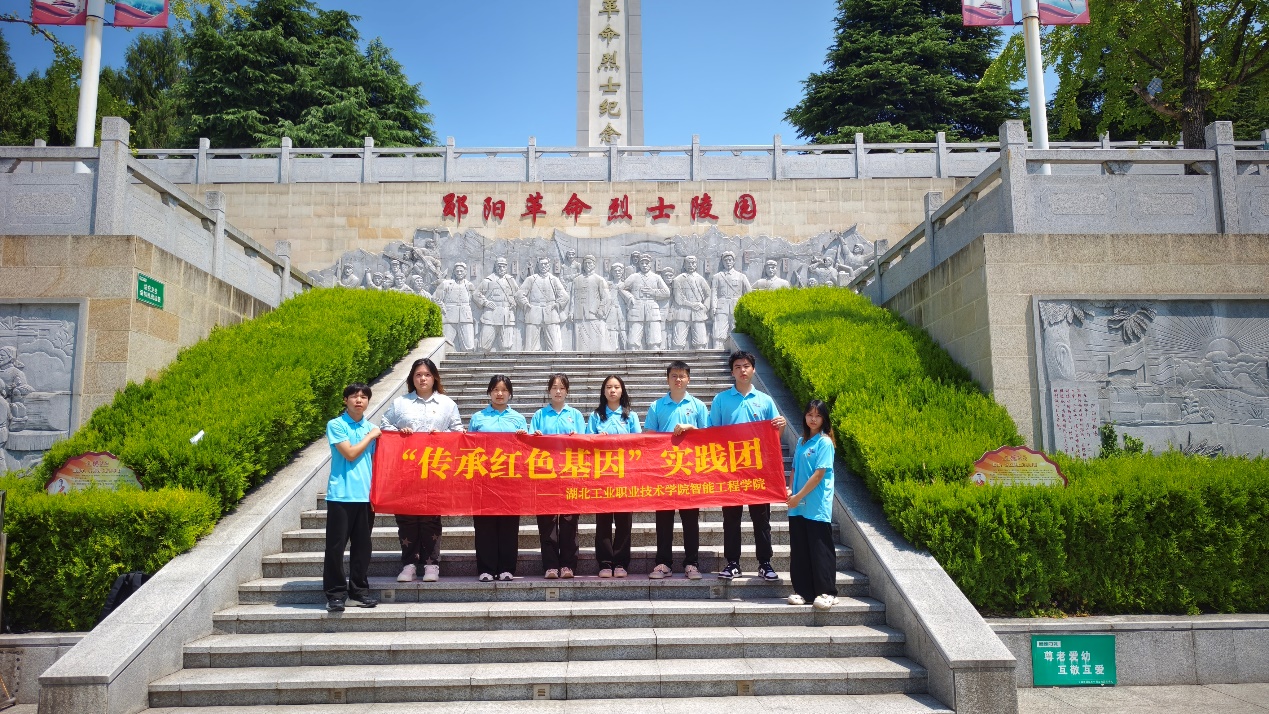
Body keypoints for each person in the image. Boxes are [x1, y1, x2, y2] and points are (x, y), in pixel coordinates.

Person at [380, 358, 463, 583]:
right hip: (405, 470)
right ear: (412, 378)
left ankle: (431, 564)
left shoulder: (447, 404)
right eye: (418, 375)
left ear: (434, 377)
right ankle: (409, 564)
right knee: (406, 517)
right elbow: (385, 426)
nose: (422, 379)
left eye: (427, 374)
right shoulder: (401, 403)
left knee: (430, 518)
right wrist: (399, 433)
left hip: (435, 470)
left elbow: (458, 431)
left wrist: (442, 436)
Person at [709, 350, 787, 580]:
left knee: (761, 519)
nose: (742, 370)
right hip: (730, 469)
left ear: (753, 369)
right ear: (732, 372)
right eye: (737, 367)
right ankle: (732, 563)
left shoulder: (765, 400)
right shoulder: (721, 400)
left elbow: (775, 437)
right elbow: (712, 433)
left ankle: (765, 563)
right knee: (731, 519)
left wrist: (781, 426)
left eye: (746, 366)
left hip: (758, 469)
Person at [643, 360, 709, 580]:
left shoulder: (698, 406)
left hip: (690, 471)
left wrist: (692, 428)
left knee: (690, 520)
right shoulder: (657, 406)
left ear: (688, 379)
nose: (678, 379)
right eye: (674, 376)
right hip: (664, 471)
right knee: (663, 520)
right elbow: (648, 437)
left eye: (682, 376)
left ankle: (692, 563)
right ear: (667, 379)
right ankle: (663, 563)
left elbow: (708, 437)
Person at [323, 383, 381, 612]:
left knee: (362, 548)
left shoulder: (371, 428)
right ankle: (335, 594)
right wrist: (370, 436)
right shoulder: (336, 425)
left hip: (365, 497)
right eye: (354, 396)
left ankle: (358, 593)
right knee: (335, 547)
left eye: (364, 397)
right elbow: (349, 453)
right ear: (345, 400)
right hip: (341, 495)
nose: (359, 400)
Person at [469, 375, 528, 582]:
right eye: (495, 389)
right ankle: (486, 568)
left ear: (510, 393)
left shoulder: (518, 419)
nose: (499, 393)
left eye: (504, 390)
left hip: (510, 480)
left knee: (508, 526)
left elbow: (527, 450)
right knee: (484, 526)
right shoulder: (478, 418)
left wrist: (523, 438)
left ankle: (506, 568)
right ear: (489, 392)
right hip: (484, 479)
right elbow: (469, 447)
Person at [530, 373, 585, 578]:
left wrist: (577, 438)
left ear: (567, 391)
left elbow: (585, 443)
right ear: (549, 391)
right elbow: (530, 444)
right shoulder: (540, 415)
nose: (558, 391)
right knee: (548, 522)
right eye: (554, 387)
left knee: (569, 521)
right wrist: (535, 437)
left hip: (570, 474)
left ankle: (568, 565)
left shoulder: (576, 415)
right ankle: (550, 565)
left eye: (562, 387)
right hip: (546, 476)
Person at [786, 400, 838, 610]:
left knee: (820, 549)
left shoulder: (824, 443)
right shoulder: (801, 441)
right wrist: (791, 492)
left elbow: (818, 475)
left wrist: (798, 496)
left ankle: (827, 592)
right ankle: (803, 592)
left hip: (816, 505)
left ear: (824, 419)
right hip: (797, 504)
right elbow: (794, 469)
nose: (813, 419)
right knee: (800, 549)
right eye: (810, 414)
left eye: (818, 415)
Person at [588, 375, 640, 578]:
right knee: (603, 522)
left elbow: (639, 443)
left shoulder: (630, 416)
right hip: (602, 476)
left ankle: (620, 563)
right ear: (603, 391)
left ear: (622, 390)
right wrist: (595, 439)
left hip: (625, 476)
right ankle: (605, 563)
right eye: (609, 387)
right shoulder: (596, 416)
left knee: (624, 521)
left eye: (616, 387)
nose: (612, 390)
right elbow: (586, 443)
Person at [518, 256, 570, 352]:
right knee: (530, 347)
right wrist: (525, 304)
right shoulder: (531, 279)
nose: (543, 266)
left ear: (549, 265)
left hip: (551, 311)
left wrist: (558, 304)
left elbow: (564, 296)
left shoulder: (554, 279)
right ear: (538, 265)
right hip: (533, 311)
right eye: (541, 264)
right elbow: (519, 294)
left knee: (555, 347)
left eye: (545, 264)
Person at [474, 257, 520, 352]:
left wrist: (515, 302)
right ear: (495, 267)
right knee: (484, 345)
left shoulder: (510, 280)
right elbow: (476, 294)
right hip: (491, 316)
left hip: (507, 316)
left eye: (503, 266)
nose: (501, 268)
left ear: (506, 267)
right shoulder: (488, 280)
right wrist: (485, 302)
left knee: (507, 346)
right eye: (499, 266)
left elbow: (518, 294)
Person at [711, 251, 750, 348]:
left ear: (733, 261)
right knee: (719, 331)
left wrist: (746, 308)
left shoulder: (741, 276)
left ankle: (738, 351)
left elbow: (748, 293)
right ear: (723, 262)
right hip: (721, 306)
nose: (728, 262)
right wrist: (713, 307)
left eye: (730, 260)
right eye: (726, 260)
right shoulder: (717, 276)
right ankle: (717, 350)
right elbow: (714, 293)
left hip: (736, 306)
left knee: (736, 330)